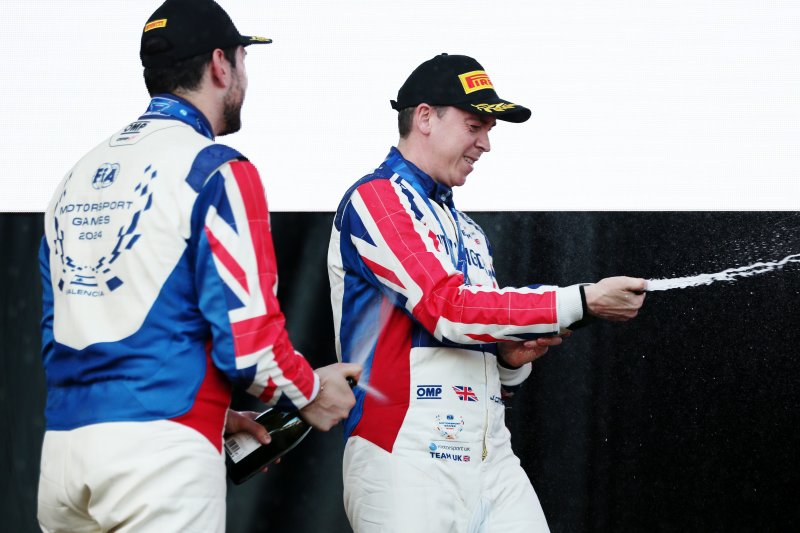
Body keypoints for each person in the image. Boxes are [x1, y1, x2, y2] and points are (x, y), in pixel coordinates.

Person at [37, 1, 360, 531]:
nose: (244, 75)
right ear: (219, 65)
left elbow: (61, 332)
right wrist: (311, 393)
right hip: (159, 458)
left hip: (64, 457)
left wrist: (215, 415)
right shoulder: (217, 170)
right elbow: (252, 347)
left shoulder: (75, 177)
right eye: (242, 59)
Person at [327, 53, 647, 533]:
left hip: (491, 457)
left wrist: (509, 361)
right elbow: (447, 310)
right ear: (425, 118)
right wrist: (581, 300)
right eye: (475, 126)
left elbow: (480, 344)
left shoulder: (472, 232)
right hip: (404, 456)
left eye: (489, 130)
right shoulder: (377, 198)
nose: (486, 144)